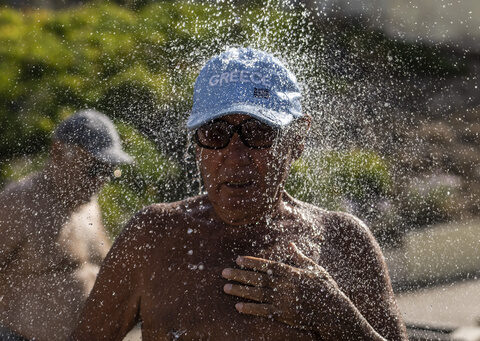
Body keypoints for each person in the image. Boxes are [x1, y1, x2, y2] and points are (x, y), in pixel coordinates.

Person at [71, 48, 407, 340]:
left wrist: (333, 316)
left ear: (296, 141)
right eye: (216, 134)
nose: (235, 157)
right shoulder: (152, 237)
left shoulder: (343, 240)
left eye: (258, 133)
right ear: (196, 144)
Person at [0, 109, 133, 341]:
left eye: (107, 170)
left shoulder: (90, 205)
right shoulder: (17, 204)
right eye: (93, 168)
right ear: (59, 152)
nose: (100, 180)